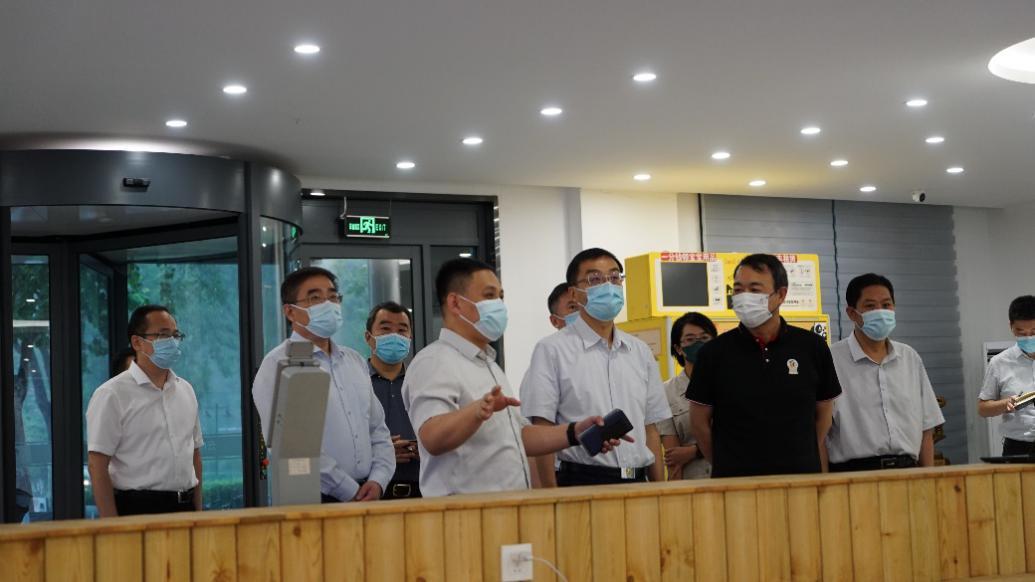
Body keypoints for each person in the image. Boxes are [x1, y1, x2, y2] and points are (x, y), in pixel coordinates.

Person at [403, 258, 628, 497]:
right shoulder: (434, 361)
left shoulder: (487, 363)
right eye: (489, 296)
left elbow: (519, 436)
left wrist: (574, 432)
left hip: (507, 506)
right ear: (455, 303)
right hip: (465, 510)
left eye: (501, 297)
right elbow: (431, 438)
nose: (499, 305)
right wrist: (475, 413)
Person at [520, 248, 670, 487]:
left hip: (638, 480)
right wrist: (550, 495)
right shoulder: (552, 350)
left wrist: (659, 488)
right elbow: (543, 427)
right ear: (574, 294)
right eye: (594, 279)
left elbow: (650, 427)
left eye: (614, 277)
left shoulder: (639, 351)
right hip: (582, 481)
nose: (608, 286)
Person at [687, 253, 841, 478]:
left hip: (800, 480)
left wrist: (800, 455)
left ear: (781, 294)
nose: (744, 297)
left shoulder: (812, 347)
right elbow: (699, 423)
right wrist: (726, 463)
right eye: (738, 290)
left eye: (755, 289)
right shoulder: (713, 353)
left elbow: (824, 416)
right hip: (736, 482)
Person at [252, 267, 395, 503]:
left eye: (333, 296)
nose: (328, 304)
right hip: (314, 496)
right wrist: (348, 490)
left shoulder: (354, 360)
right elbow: (293, 446)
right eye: (315, 298)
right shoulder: (278, 364)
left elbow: (378, 429)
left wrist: (379, 480)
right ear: (290, 311)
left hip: (370, 492)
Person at [86, 305, 203, 517]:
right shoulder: (112, 394)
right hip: (138, 508)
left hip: (185, 506)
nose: (172, 342)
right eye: (163, 335)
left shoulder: (186, 390)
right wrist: (111, 525)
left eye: (176, 335)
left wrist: (199, 511)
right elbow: (97, 464)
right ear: (137, 342)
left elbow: (194, 453)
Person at [826, 274, 944, 471]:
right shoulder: (831, 359)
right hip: (853, 475)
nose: (880, 312)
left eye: (886, 305)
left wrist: (928, 478)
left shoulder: (909, 357)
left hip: (908, 471)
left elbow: (926, 427)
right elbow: (820, 433)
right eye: (870, 306)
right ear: (852, 313)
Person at [364, 301, 421, 499]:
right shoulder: (355, 382)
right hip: (370, 491)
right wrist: (381, 452)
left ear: (410, 338)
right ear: (368, 338)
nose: (395, 336)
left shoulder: (422, 382)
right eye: (386, 329)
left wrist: (426, 447)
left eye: (402, 330)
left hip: (422, 491)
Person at [657, 312, 716, 480]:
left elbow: (738, 438)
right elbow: (673, 457)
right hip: (693, 483)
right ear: (678, 348)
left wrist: (694, 451)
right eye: (690, 339)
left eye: (704, 338)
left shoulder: (731, 382)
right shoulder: (666, 392)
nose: (699, 344)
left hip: (731, 479)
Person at [979, 295, 1035, 456]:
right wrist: (1006, 404)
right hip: (1018, 447)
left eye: (1034, 332)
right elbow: (983, 409)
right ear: (1011, 326)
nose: (1028, 337)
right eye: (1021, 332)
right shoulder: (999, 362)